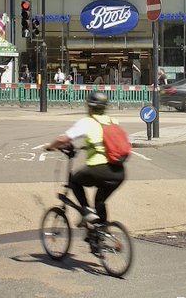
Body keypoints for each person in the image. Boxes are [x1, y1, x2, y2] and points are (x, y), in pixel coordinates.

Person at [44, 90, 126, 227]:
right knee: (100, 200)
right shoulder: (112, 121)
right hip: (119, 171)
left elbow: (63, 138)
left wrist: (50, 146)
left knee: (75, 181)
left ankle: (86, 211)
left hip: (100, 168)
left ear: (90, 107)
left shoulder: (88, 122)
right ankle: (102, 233)